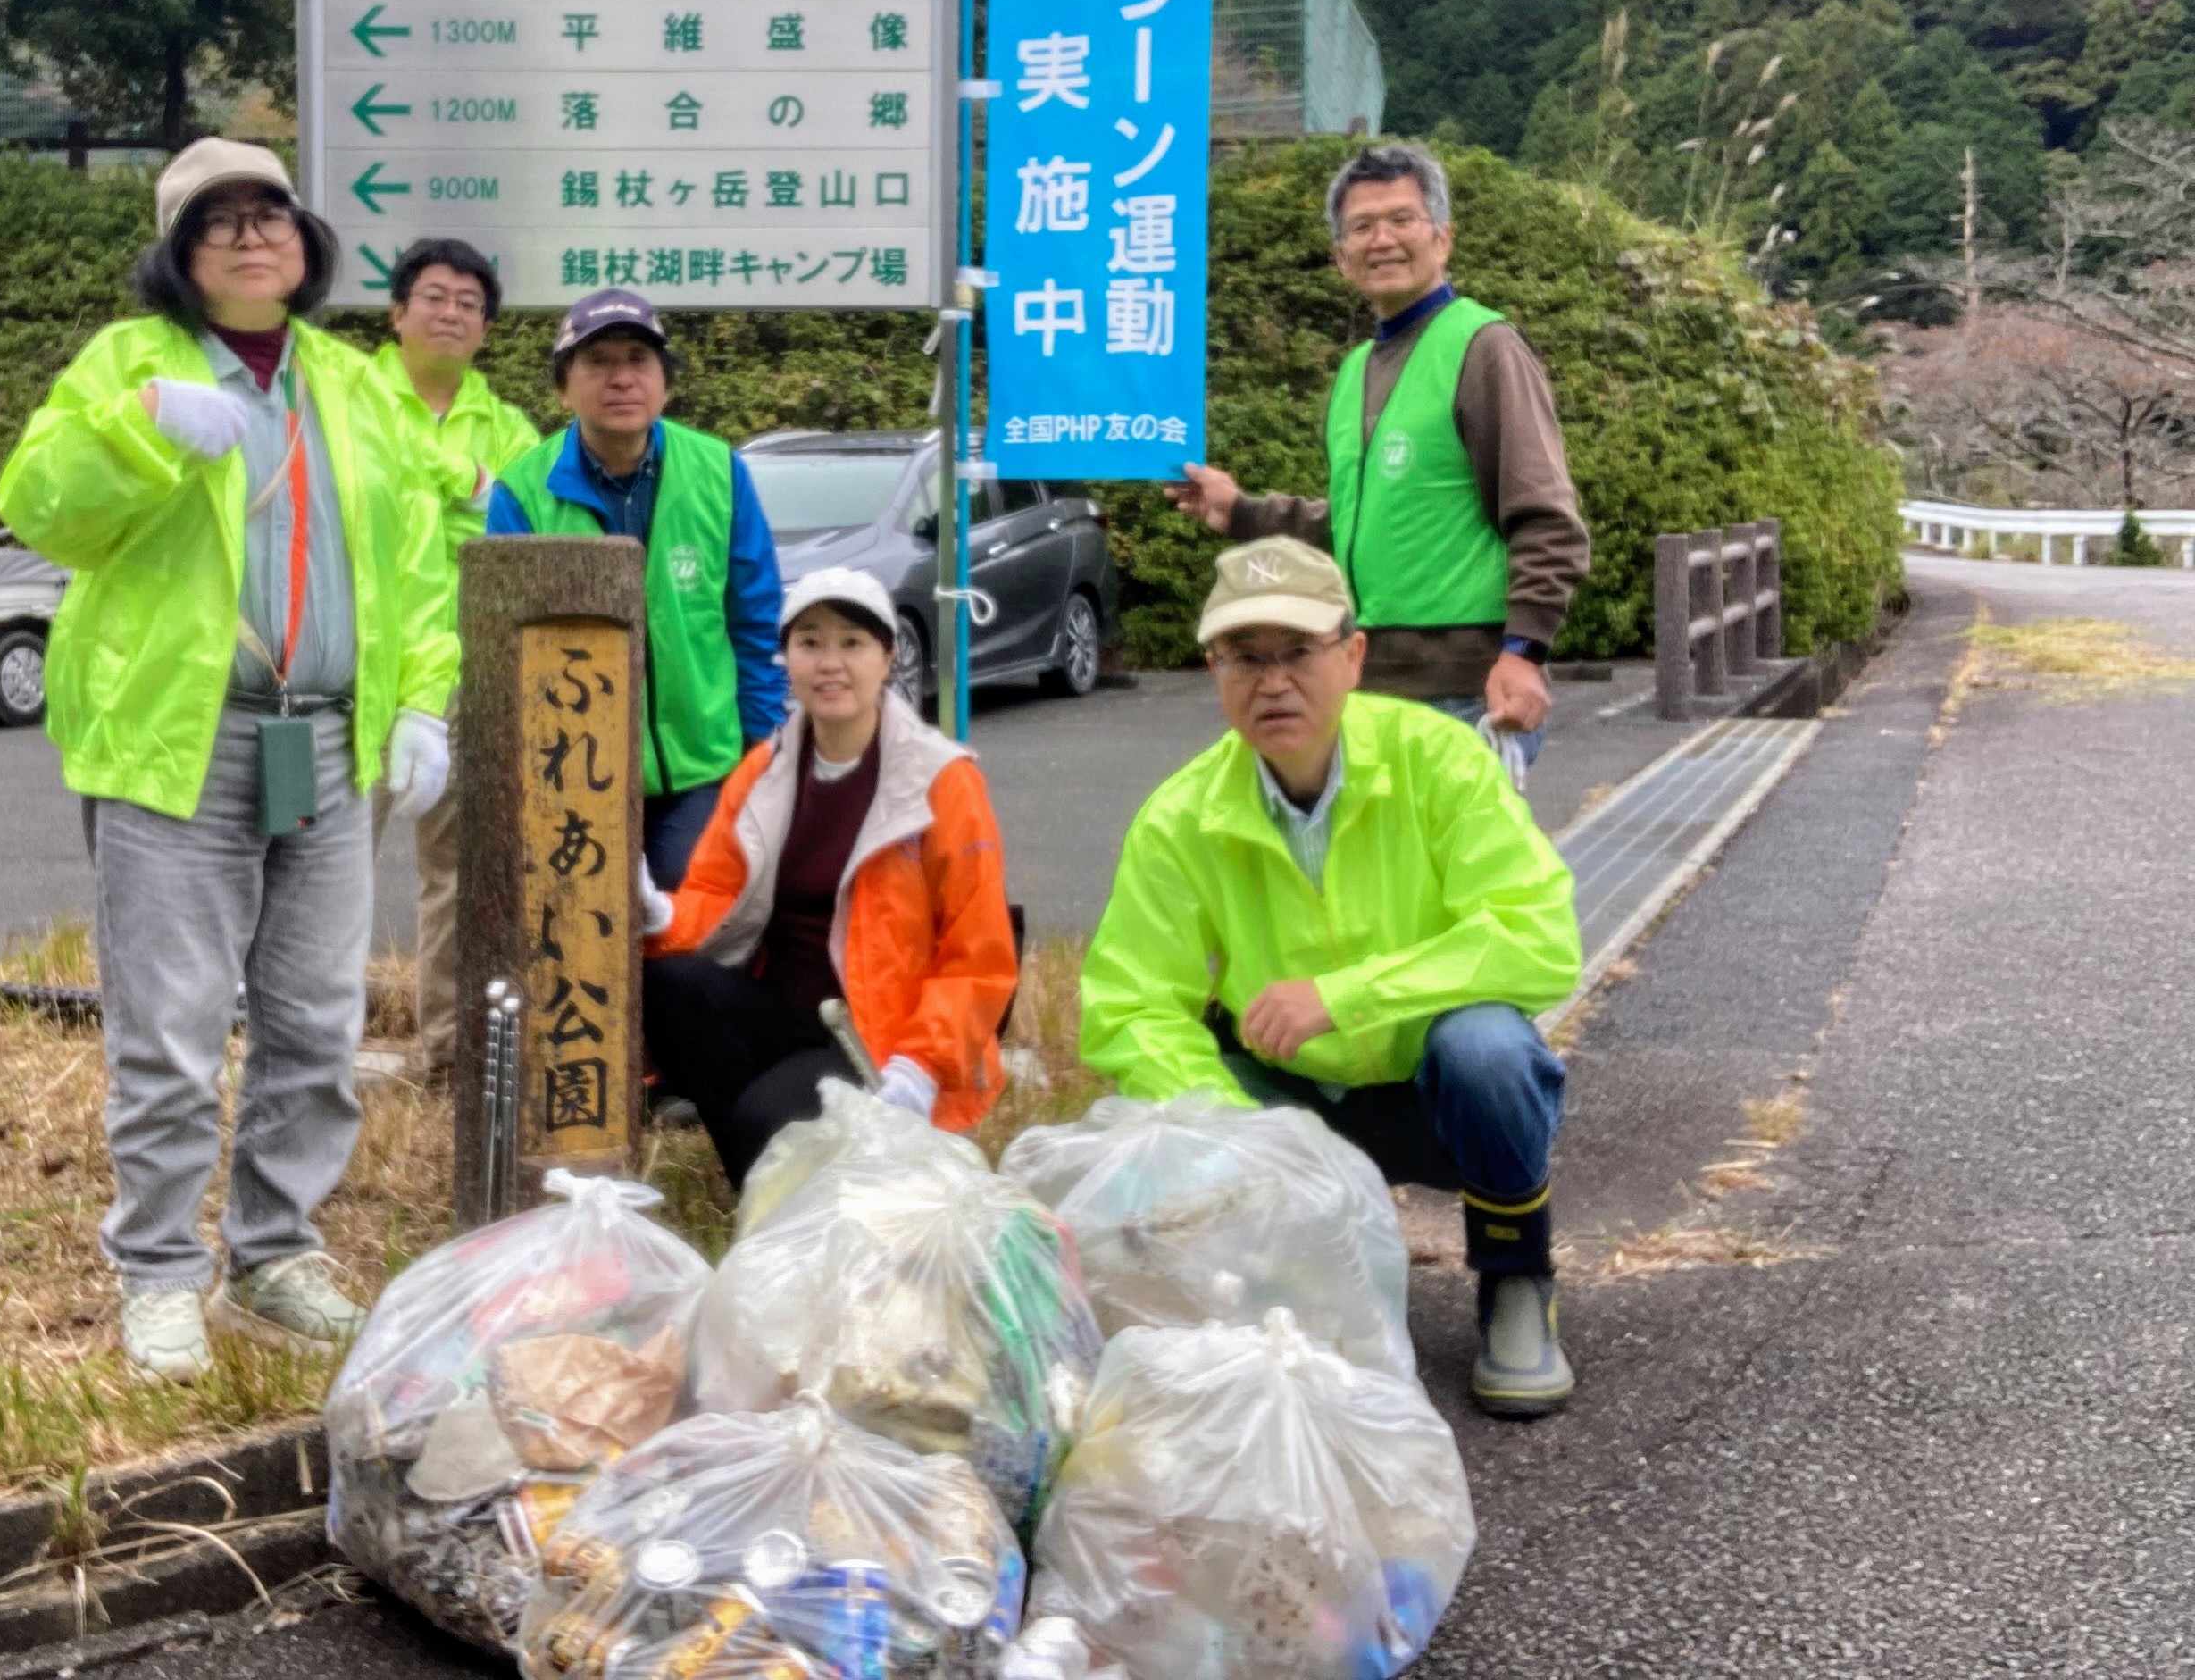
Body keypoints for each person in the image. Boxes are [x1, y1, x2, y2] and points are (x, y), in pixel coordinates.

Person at [0, 138, 457, 1384]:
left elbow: (415, 565)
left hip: (329, 735)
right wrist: (140, 433)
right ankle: (157, 1271)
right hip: (180, 739)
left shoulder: (355, 387)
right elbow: (41, 507)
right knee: (174, 1022)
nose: (254, 238)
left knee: (316, 1016)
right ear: (178, 251)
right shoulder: (126, 364)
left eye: (274, 216)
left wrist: (423, 701)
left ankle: (276, 1251)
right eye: (220, 221)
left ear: (306, 245)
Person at [1079, 535, 1583, 1417]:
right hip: (1291, 1104)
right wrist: (1242, 1137)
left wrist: (1344, 995)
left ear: (1352, 657)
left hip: (1430, 1087)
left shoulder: (1441, 761)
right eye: (1244, 656)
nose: (1272, 681)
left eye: (1298, 652)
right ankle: (1293, 1291)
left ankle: (1514, 1276)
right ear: (1213, 670)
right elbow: (1130, 1006)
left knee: (1490, 1049)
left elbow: (1539, 938)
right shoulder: (1180, 816)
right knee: (1158, 1103)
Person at [1164, 142, 1589, 769]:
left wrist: (1524, 652)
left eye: (1402, 219)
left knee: (1470, 870)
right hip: (1365, 685)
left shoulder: (1484, 347)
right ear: (1340, 257)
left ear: (1443, 237)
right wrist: (1241, 513)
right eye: (1362, 227)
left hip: (1469, 694)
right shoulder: (1357, 370)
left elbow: (1547, 518)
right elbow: (1357, 522)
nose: (1382, 239)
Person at [641, 566, 1018, 1185]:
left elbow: (978, 956)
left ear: (888, 657)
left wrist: (920, 1065)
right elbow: (716, 895)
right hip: (784, 1014)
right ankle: (779, 1166)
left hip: (879, 1041)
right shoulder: (765, 770)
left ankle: (795, 1161)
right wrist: (659, 913)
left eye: (852, 643)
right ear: (786, 658)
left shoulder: (943, 782)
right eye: (810, 642)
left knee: (772, 1122)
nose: (829, 662)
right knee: (671, 985)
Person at [486, 288, 785, 886]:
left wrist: (763, 748)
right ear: (562, 388)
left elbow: (753, 622)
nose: (621, 378)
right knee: (584, 934)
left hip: (700, 766)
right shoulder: (522, 492)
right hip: (572, 772)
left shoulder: (719, 471)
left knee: (689, 932)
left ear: (665, 382)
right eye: (598, 362)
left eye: (637, 361)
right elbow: (502, 647)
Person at [363, 238, 539, 1081]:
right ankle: (309, 1056)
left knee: (459, 874)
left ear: (486, 329)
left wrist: (465, 489)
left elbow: (514, 525)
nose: (451, 313)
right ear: (397, 313)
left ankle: (446, 1058)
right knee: (318, 874)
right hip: (351, 667)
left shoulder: (507, 428)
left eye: (470, 304)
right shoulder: (346, 395)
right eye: (433, 296)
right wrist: (453, 478)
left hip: (466, 676)